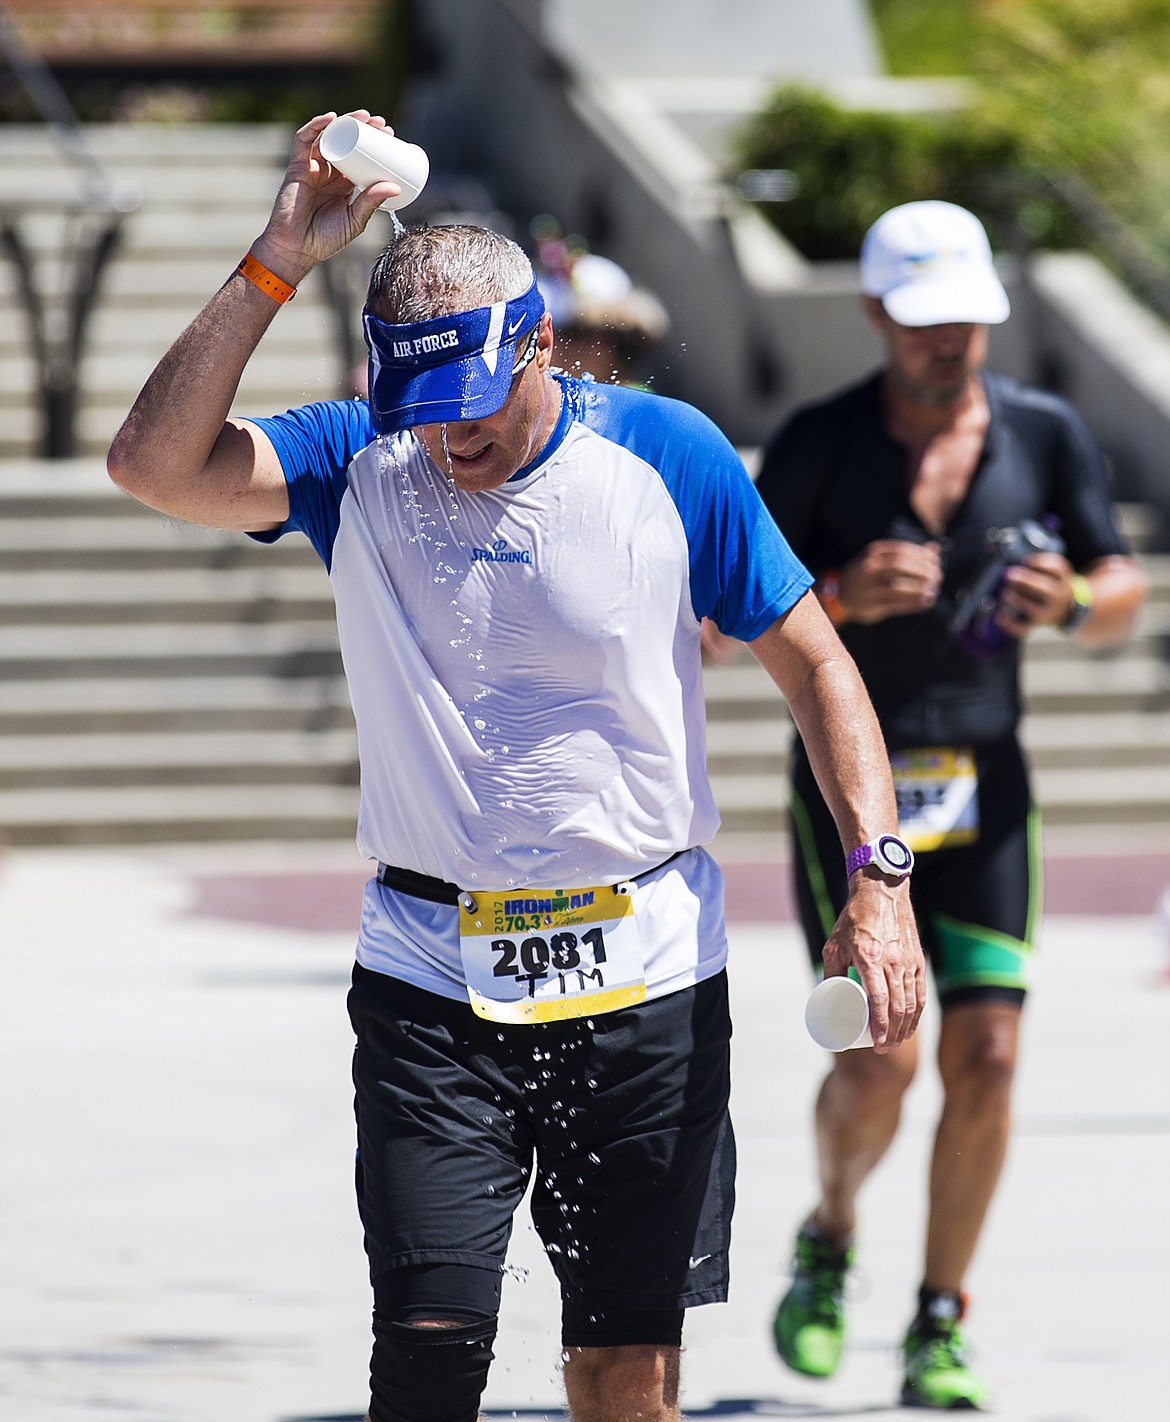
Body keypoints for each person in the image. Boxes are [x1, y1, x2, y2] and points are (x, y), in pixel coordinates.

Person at [107, 111, 926, 1422]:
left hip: (645, 970)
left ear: (538, 342)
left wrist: (876, 884)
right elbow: (151, 466)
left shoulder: (669, 457)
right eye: (420, 409)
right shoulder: (355, 459)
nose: (449, 442)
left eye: (473, 404)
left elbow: (822, 666)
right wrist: (278, 255)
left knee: (620, 1372)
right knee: (427, 1358)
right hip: (432, 975)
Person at [754, 199, 1148, 1410]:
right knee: (882, 1059)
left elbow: (1123, 578)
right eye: (925, 321)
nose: (950, 342)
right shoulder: (819, 442)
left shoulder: (1044, 430)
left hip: (989, 792)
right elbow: (732, 612)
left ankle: (940, 1317)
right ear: (874, 313)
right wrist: (845, 596)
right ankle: (829, 1236)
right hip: (854, 795)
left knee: (987, 1054)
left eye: (970, 320)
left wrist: (1072, 603)